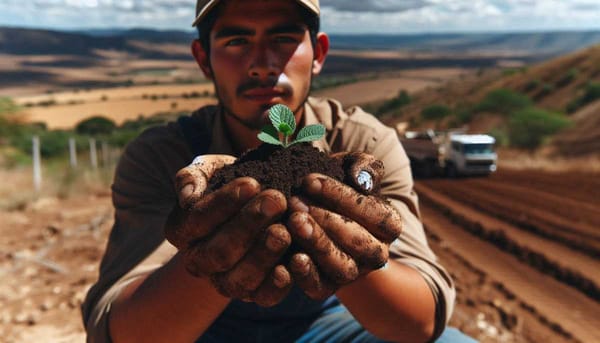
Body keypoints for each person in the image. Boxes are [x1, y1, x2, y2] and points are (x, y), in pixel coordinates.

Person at [81, 0, 476, 342]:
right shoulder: (165, 157)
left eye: (283, 40)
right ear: (204, 59)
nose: (262, 65)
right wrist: (211, 254)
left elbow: (421, 321)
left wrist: (347, 249)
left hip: (331, 325)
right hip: (203, 333)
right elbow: (120, 331)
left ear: (318, 53)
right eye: (236, 41)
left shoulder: (363, 145)